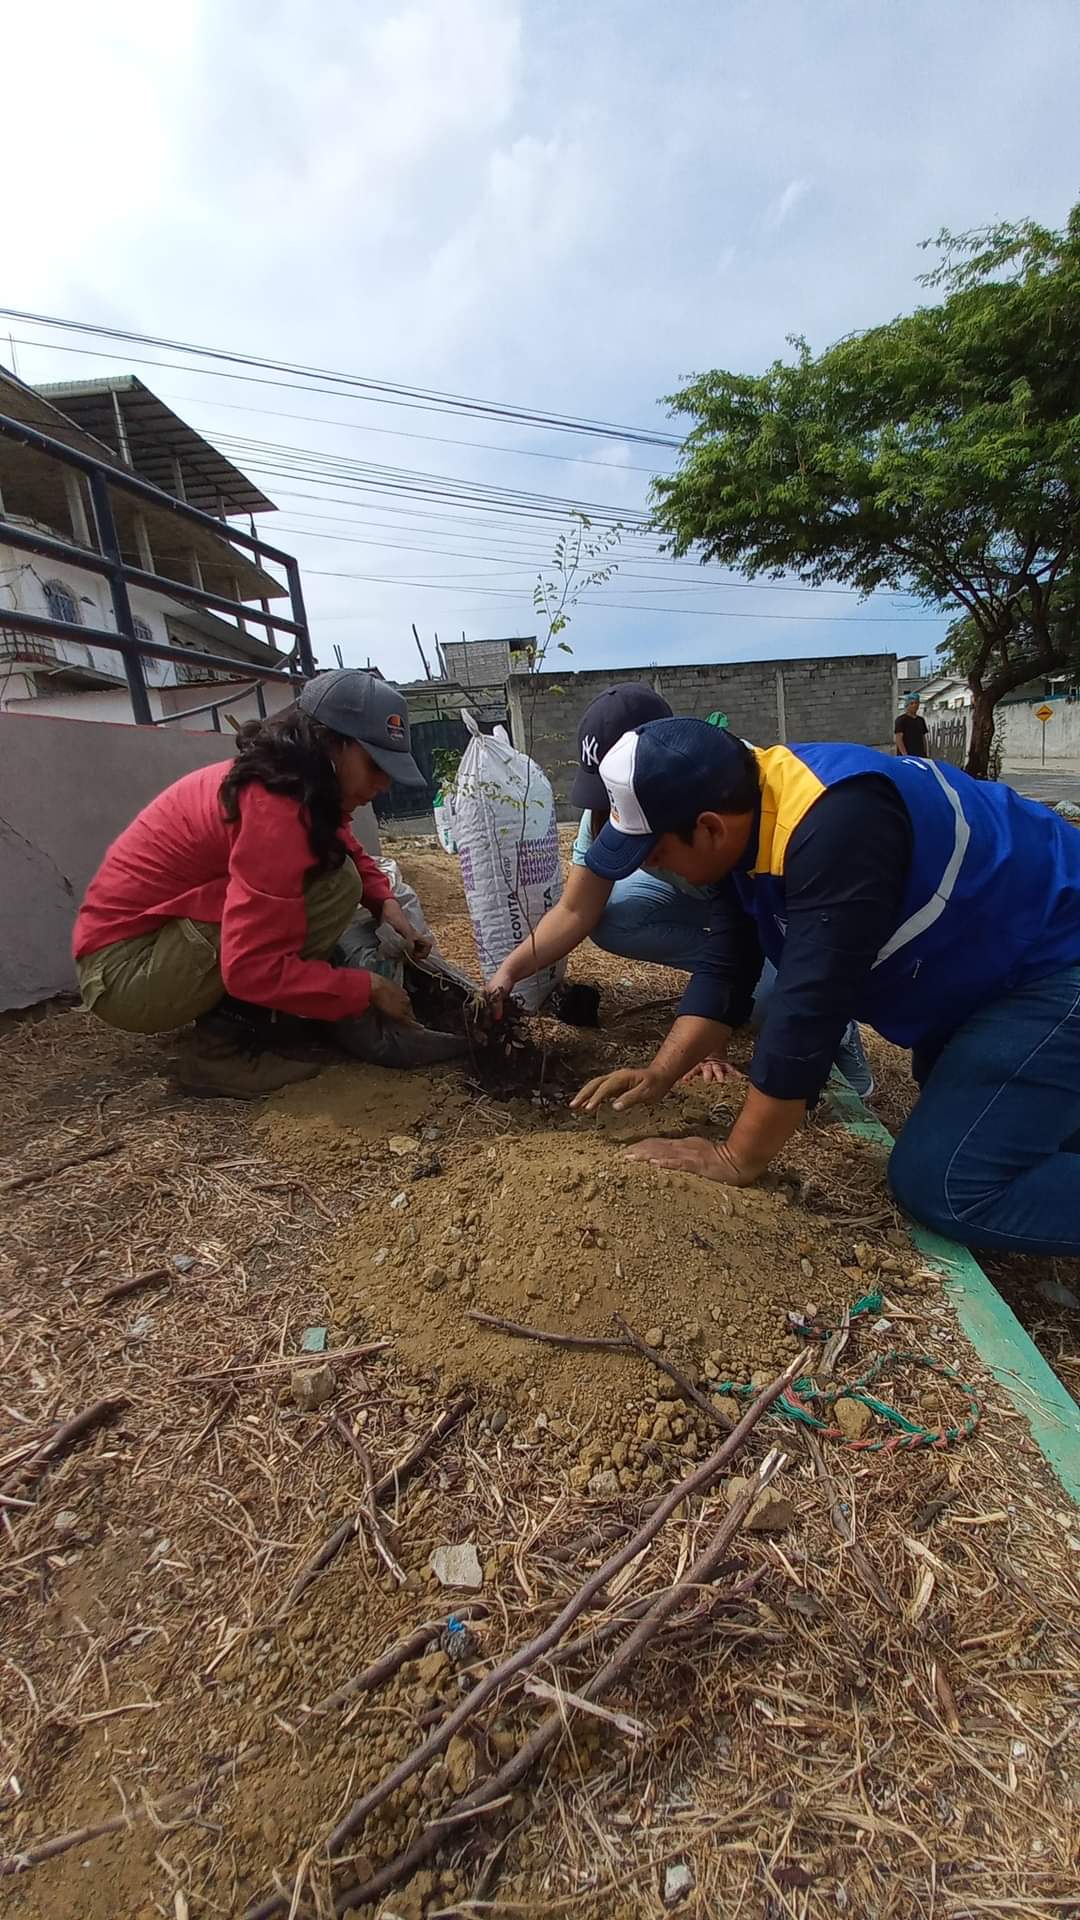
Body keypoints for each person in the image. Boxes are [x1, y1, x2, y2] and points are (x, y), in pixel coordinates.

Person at [568, 717, 1080, 1258]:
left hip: (1056, 957)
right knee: (975, 1107)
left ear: (709, 829)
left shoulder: (838, 827)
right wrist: (660, 1072)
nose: (656, 868)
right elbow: (727, 966)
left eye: (656, 855)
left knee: (945, 1183)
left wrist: (736, 1156)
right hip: (1000, 958)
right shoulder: (748, 814)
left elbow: (809, 1010)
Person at [73, 670, 465, 1097]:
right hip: (125, 974)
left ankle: (274, 1016)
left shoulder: (289, 783)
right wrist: (367, 988)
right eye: (375, 766)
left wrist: (384, 902)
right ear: (329, 743)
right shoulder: (274, 812)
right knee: (327, 887)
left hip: (152, 948)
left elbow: (341, 839)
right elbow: (249, 968)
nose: (384, 784)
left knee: (338, 880)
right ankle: (219, 1051)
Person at [486, 683, 873, 1095]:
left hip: (766, 909)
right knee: (616, 917)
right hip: (708, 904)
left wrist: (712, 1040)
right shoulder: (609, 813)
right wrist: (508, 972)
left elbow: (739, 934)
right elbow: (575, 910)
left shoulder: (729, 800)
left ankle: (836, 1023)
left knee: (777, 1001)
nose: (613, 812)